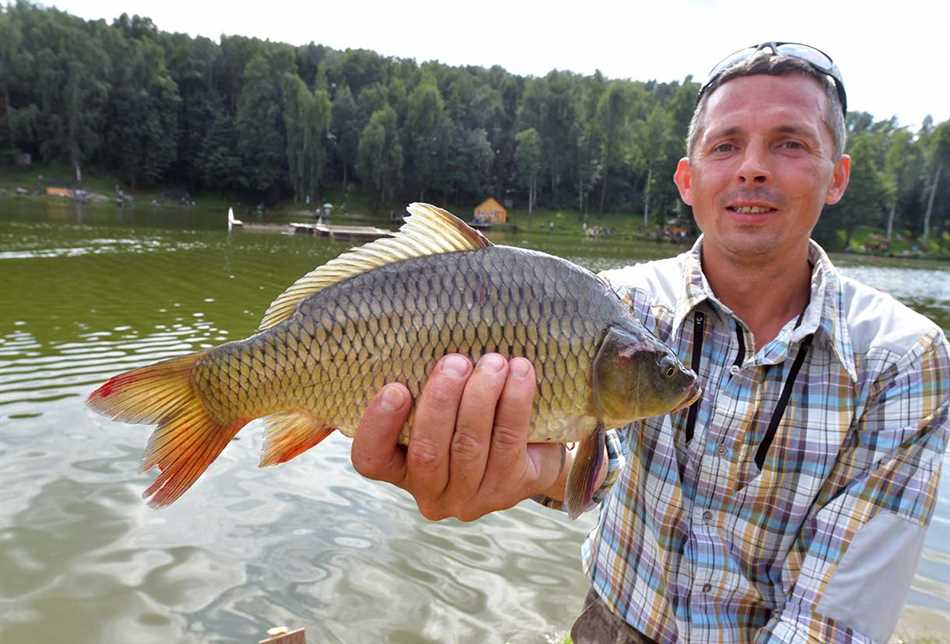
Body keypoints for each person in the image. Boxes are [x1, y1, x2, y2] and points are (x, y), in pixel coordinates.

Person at [350, 42, 950, 643]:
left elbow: (833, 620)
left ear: (837, 175)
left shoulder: (904, 358)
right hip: (605, 623)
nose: (752, 168)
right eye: (725, 145)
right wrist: (527, 473)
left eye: (790, 143)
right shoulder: (609, 306)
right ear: (688, 181)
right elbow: (596, 473)